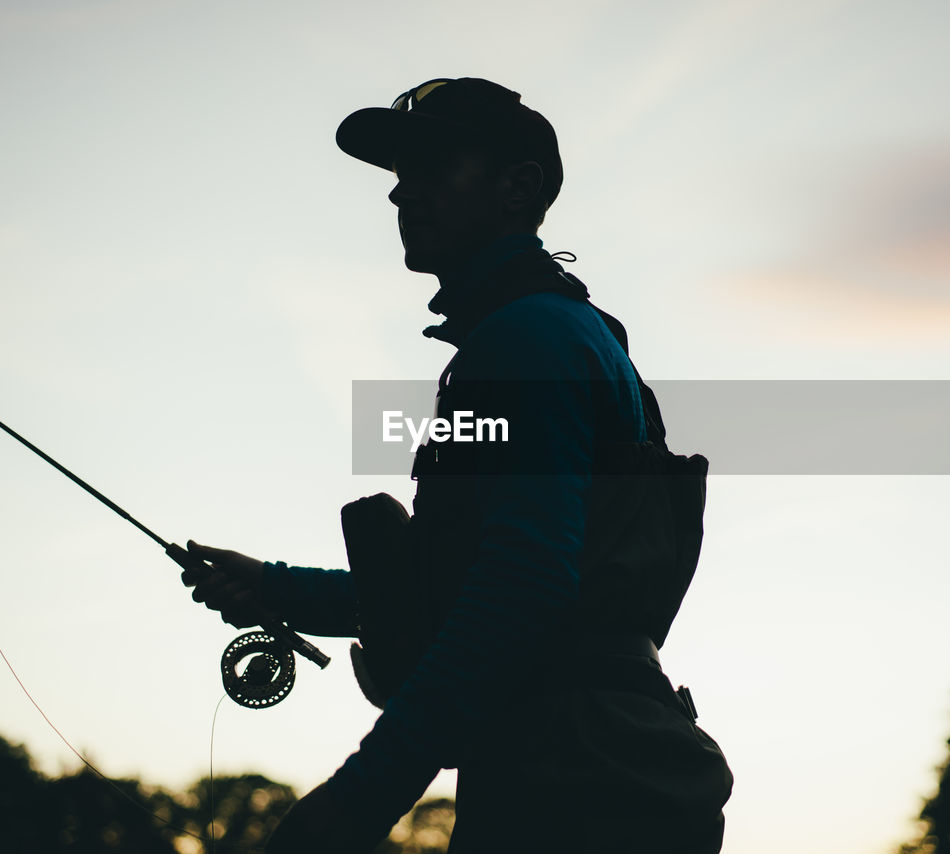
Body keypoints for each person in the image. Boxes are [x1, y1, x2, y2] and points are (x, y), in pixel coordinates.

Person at [182, 77, 732, 854]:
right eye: (399, 174)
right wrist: (276, 588)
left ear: (519, 188)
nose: (401, 194)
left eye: (434, 169)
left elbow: (519, 588)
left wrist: (356, 803)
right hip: (604, 762)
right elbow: (489, 580)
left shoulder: (523, 343)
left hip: (572, 782)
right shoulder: (554, 333)